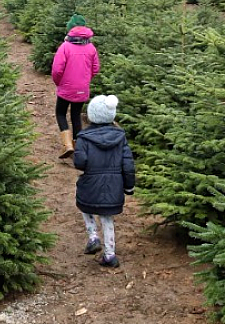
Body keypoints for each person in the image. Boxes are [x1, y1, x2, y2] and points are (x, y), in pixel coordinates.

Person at [73, 95, 136, 268]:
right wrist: (129, 186)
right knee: (107, 218)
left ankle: (93, 236)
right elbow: (128, 164)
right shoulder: (120, 137)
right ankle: (110, 255)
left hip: (90, 184)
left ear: (92, 115)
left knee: (84, 205)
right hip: (114, 187)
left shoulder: (84, 138)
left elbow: (80, 163)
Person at [52, 20, 100, 159]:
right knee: (76, 115)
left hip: (66, 88)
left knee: (60, 113)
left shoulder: (65, 47)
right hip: (82, 88)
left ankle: (67, 145)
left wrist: (58, 82)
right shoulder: (91, 48)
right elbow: (95, 68)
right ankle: (78, 147)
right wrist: (85, 80)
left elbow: (57, 69)